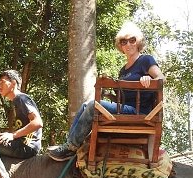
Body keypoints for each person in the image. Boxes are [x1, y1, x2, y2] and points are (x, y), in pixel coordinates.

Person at [47, 21, 166, 161]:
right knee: (87, 105)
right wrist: (109, 94)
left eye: (132, 40)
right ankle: (69, 144)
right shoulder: (124, 69)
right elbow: (123, 97)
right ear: (120, 46)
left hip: (139, 112)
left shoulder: (145, 60)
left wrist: (148, 79)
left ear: (138, 42)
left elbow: (161, 78)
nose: (128, 44)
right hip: (125, 109)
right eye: (124, 41)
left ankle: (71, 148)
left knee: (92, 106)